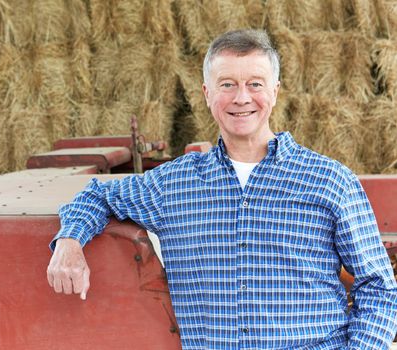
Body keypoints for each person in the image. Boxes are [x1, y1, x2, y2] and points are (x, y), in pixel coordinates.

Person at [47, 29, 397, 349]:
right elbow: (96, 194)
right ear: (207, 93)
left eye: (255, 84)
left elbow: (379, 287)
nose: (241, 97)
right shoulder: (173, 184)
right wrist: (69, 241)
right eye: (227, 84)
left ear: (275, 92)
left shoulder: (329, 180)